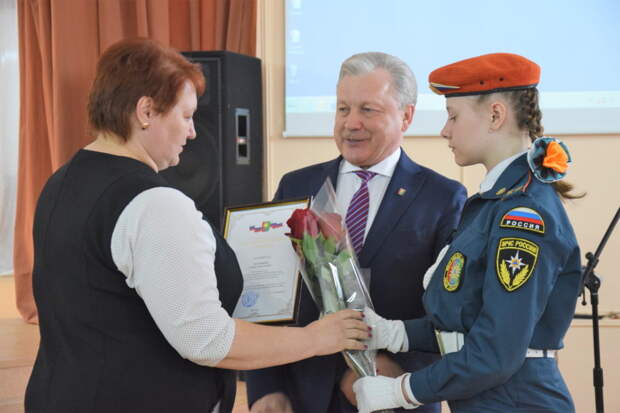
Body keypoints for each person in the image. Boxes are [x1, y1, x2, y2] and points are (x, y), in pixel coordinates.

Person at [24, 38, 370, 413]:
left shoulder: (63, 180)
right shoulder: (154, 203)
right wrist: (316, 339)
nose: (193, 132)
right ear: (146, 111)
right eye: (187, 116)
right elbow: (206, 339)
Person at [352, 53, 583, 413]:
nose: (445, 130)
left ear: (495, 115)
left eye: (454, 117)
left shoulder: (523, 214)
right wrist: (394, 333)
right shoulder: (491, 203)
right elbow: (467, 322)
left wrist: (401, 390)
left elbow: (495, 353)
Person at [246, 52, 467, 413]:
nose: (351, 123)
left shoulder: (443, 197)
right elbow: (269, 295)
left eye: (368, 110)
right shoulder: (297, 186)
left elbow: (451, 311)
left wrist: (402, 373)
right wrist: (266, 388)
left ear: (406, 116)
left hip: (396, 394)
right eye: (343, 108)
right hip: (302, 397)